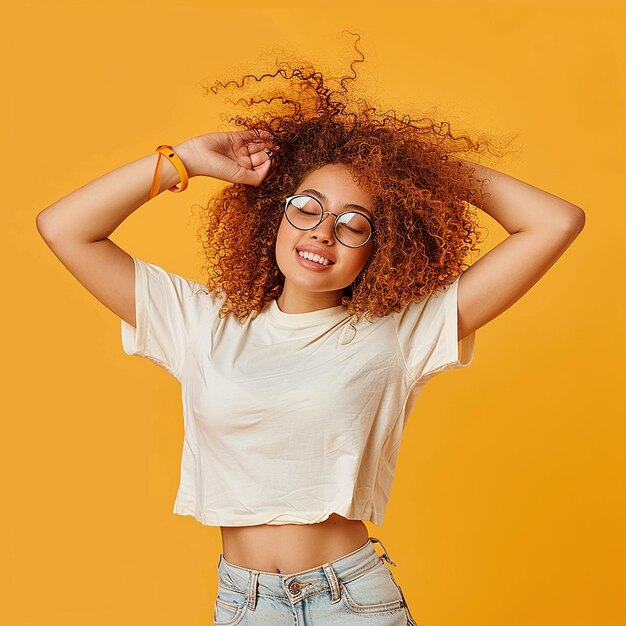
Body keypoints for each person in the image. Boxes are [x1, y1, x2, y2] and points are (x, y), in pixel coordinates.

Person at [36, 41, 585, 626]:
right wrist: (187, 161)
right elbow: (65, 228)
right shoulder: (202, 323)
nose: (323, 233)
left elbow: (555, 222)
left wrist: (430, 172)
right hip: (243, 605)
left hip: (352, 601)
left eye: (354, 224)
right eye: (307, 207)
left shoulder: (399, 333)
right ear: (275, 213)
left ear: (383, 247)